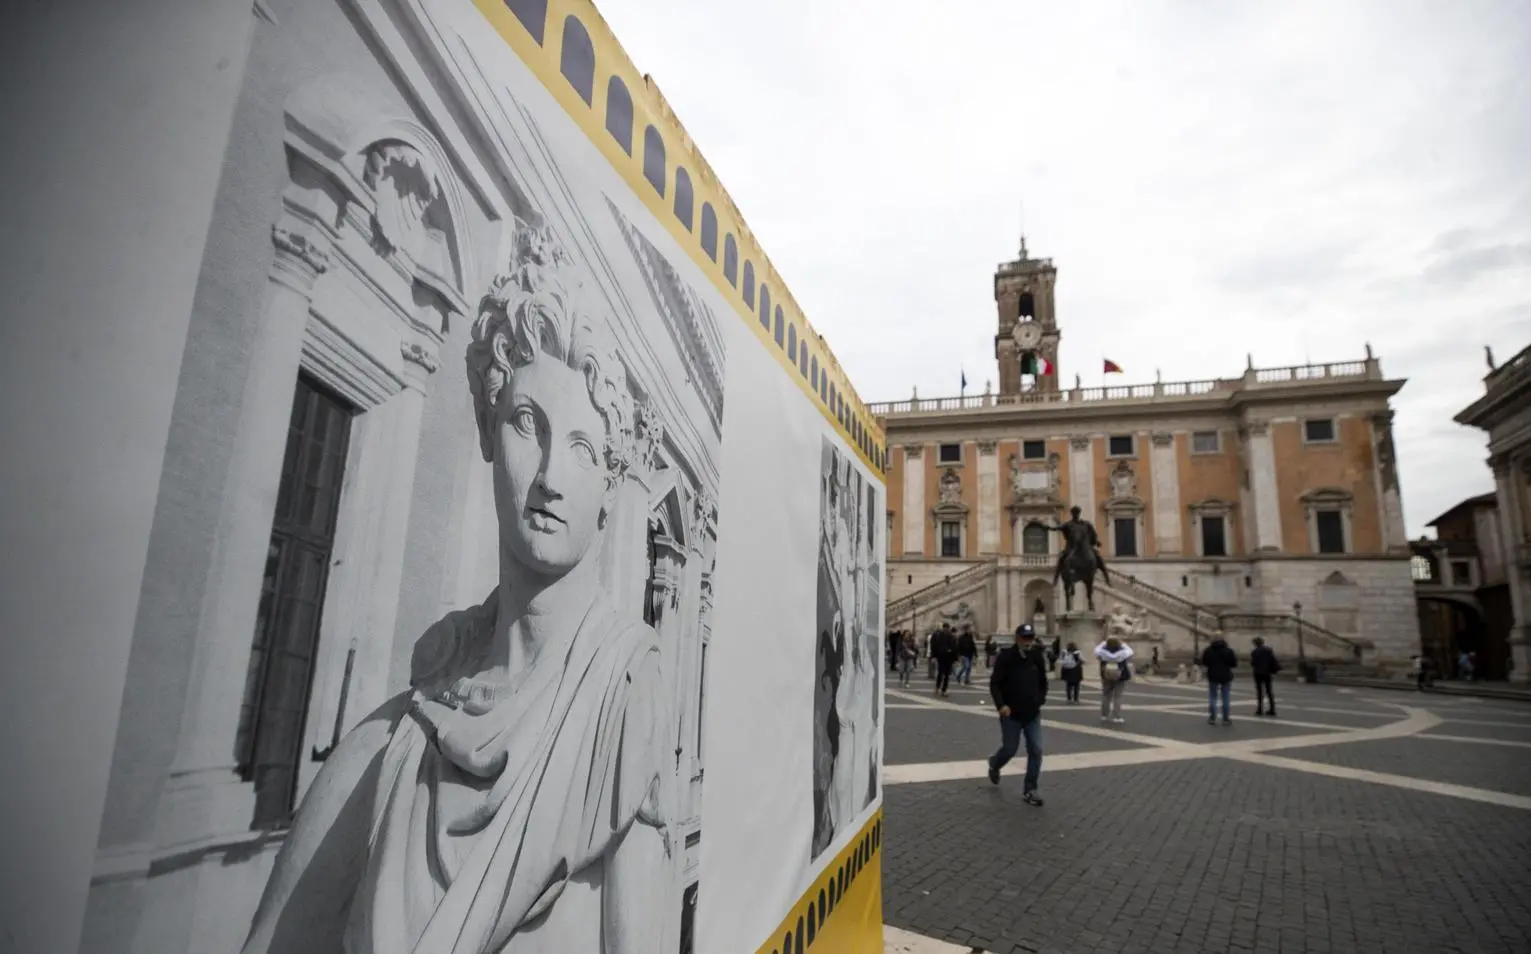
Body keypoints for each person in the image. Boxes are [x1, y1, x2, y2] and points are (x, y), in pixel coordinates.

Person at [241, 223, 673, 954]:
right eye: (526, 425)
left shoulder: (621, 710)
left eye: (582, 448)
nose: (548, 479)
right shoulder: (398, 738)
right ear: (485, 428)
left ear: (608, 486)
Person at [987, 624, 1049, 806]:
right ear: (1017, 638)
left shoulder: (1036, 656)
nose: (1028, 641)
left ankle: (1030, 789)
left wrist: (1040, 699)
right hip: (1011, 713)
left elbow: (1043, 681)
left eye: (1030, 638)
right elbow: (995, 684)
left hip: (1032, 713)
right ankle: (995, 764)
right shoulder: (1006, 656)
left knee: (1036, 750)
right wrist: (1001, 705)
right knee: (1010, 749)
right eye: (1025, 638)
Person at [1094, 635, 1134, 725]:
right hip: (1120, 675)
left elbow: (1097, 650)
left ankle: (1104, 715)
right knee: (1118, 696)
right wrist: (1123, 644)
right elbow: (1130, 651)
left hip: (1106, 674)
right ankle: (1116, 716)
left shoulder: (1102, 652)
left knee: (1106, 695)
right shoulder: (1123, 652)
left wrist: (1104, 642)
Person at [1202, 635, 1238, 725]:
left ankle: (1212, 718)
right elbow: (1233, 663)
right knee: (1226, 697)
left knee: (1213, 697)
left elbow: (1204, 662)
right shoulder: (1229, 651)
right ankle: (1225, 719)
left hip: (1213, 675)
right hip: (1225, 675)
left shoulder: (1208, 650)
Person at [1250, 636, 1280, 717]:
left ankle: (1260, 709)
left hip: (1258, 673)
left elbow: (1253, 663)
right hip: (1267, 673)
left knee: (1259, 692)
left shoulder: (1254, 652)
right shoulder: (1269, 650)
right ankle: (1272, 709)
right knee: (1269, 691)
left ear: (1255, 644)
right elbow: (1273, 661)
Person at [931, 623, 958, 696]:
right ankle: (943, 690)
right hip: (947, 657)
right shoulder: (951, 636)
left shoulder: (939, 635)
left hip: (941, 657)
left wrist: (933, 656)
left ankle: (938, 688)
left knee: (941, 674)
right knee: (945, 675)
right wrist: (955, 659)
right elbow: (954, 648)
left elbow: (934, 646)